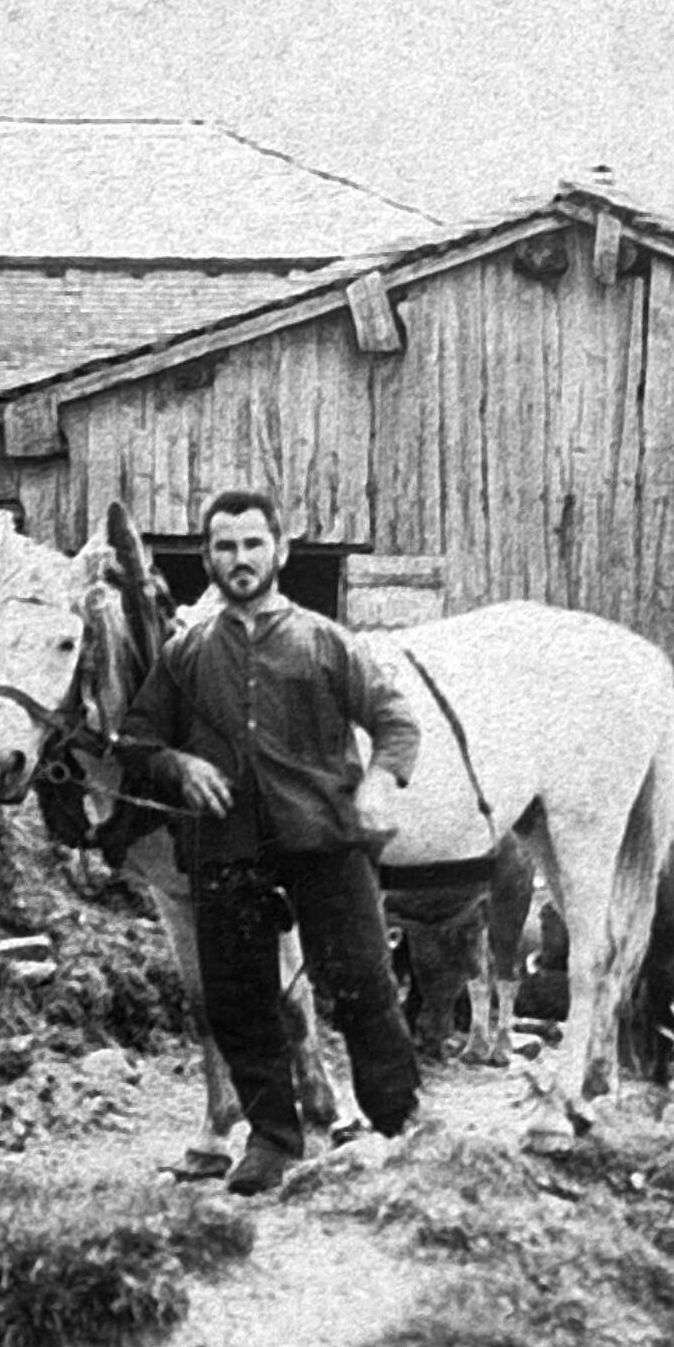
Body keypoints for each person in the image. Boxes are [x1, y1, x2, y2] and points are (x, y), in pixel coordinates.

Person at [118, 490, 426, 1197]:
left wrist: (379, 783)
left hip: (324, 838)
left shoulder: (325, 641)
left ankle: (400, 1124)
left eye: (253, 544)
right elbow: (135, 739)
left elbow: (396, 722)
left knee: (362, 983)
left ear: (280, 551)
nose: (240, 559)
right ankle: (272, 1138)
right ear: (207, 559)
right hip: (228, 847)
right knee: (239, 997)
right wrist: (179, 765)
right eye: (225, 547)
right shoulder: (187, 653)